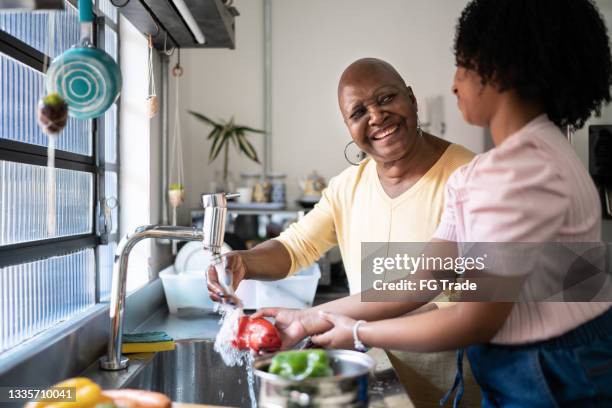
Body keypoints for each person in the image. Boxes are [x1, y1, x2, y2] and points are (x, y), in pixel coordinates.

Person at [259, 0, 612, 406]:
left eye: (462, 65)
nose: (454, 83)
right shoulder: (494, 170)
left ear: (499, 70)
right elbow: (421, 282)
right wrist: (308, 320)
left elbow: (475, 319)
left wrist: (358, 333)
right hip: (532, 363)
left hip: (554, 373)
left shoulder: (517, 171)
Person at [208, 58, 479, 405]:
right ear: (349, 127)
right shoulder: (347, 187)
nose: (377, 117)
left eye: (386, 99)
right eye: (359, 112)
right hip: (378, 372)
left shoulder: (469, 175)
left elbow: (456, 295)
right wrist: (242, 262)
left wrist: (317, 319)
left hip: (459, 385)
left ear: (411, 99)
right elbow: (295, 247)